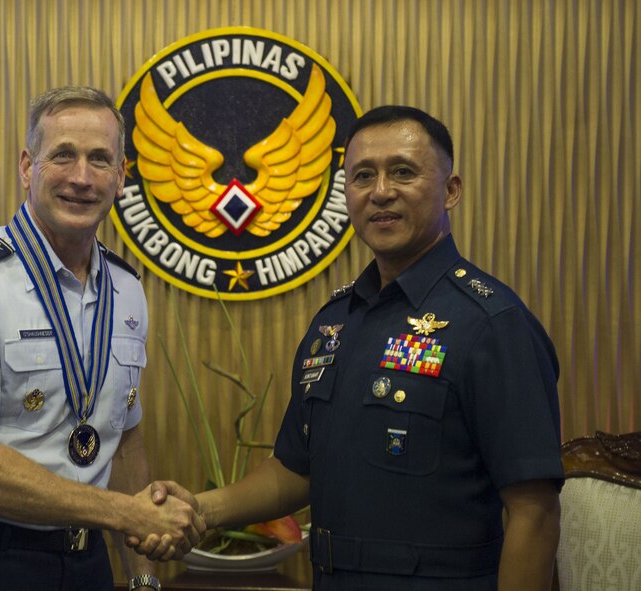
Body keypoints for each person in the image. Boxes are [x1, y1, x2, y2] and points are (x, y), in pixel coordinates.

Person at [135, 106, 564, 590]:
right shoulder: (334, 324)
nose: (381, 191)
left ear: (450, 190)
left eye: (403, 171)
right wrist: (200, 507)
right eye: (363, 176)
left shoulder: (492, 324)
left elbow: (536, 512)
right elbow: (296, 470)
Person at [0, 86, 204, 591]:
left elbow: (122, 438)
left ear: (121, 176)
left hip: (87, 566)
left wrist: (144, 581)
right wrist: (126, 514)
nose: (81, 178)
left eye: (100, 160)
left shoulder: (126, 290)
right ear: (27, 167)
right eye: (63, 155)